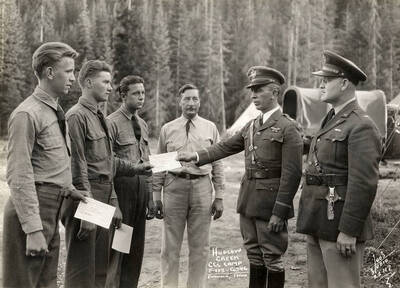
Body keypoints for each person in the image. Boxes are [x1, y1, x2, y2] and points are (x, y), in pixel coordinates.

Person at [178, 67, 303, 288]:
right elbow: (226, 147)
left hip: (271, 205)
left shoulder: (287, 127)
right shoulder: (252, 125)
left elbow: (292, 175)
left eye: (259, 89)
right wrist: (196, 155)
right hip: (249, 202)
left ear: (274, 92)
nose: (253, 95)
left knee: (272, 257)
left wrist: (280, 211)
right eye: (252, 90)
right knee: (254, 254)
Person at [3, 42, 88, 287]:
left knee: (46, 283)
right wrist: (32, 229)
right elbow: (19, 174)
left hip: (53, 206)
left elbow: (47, 163)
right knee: (22, 283)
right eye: (69, 71)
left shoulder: (53, 111)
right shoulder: (27, 114)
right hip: (32, 209)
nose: (73, 78)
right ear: (50, 73)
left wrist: (69, 188)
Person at [60, 60, 152, 288]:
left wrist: (134, 170)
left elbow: (107, 162)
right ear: (89, 83)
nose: (111, 88)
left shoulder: (98, 116)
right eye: (106, 82)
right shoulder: (76, 116)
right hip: (86, 199)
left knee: (99, 270)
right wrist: (88, 211)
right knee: (81, 272)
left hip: (102, 198)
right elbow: (77, 165)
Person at [296, 50, 381, 288]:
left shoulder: (361, 125)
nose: (320, 85)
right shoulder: (333, 118)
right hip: (319, 221)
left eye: (326, 80)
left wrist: (349, 231)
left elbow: (363, 183)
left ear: (344, 83)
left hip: (340, 228)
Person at [152, 83, 225, 288]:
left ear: (199, 102)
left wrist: (219, 196)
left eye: (195, 99)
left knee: (200, 247)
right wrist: (156, 197)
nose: (191, 103)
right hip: (174, 187)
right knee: (170, 247)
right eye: (187, 99)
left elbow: (218, 162)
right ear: (180, 101)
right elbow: (159, 163)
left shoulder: (210, 128)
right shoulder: (168, 128)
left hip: (202, 187)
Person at [106, 75, 156, 288]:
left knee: (135, 251)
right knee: (118, 250)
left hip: (140, 194)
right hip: (122, 192)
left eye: (143, 93)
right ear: (123, 95)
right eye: (136, 93)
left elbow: (147, 160)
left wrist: (151, 196)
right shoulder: (111, 123)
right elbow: (107, 163)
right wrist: (114, 202)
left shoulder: (143, 124)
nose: (141, 97)